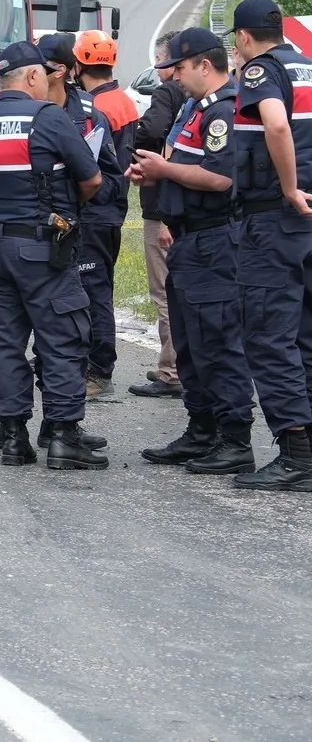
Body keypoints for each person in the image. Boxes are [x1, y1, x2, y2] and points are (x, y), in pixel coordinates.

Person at [0, 41, 107, 470]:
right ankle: (62, 436)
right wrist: (65, 210)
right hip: (42, 249)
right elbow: (92, 179)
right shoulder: (48, 117)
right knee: (62, 340)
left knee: (4, 345)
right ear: (34, 77)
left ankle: (14, 437)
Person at [127, 29, 254, 474]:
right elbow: (185, 164)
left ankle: (234, 437)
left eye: (180, 68)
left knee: (217, 340)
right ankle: (201, 430)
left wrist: (165, 169)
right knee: (189, 343)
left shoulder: (224, 110)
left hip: (215, 239)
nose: (175, 77)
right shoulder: (194, 106)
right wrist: (157, 174)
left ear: (205, 64)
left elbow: (220, 179)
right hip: (187, 238)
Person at [224, 0, 312, 490]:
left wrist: (286, 186)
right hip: (306, 223)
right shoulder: (307, 66)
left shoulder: (261, 71)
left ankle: (296, 454)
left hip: (275, 221)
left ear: (242, 37)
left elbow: (275, 123)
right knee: (305, 336)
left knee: (269, 335)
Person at [45, 31, 133, 398]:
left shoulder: (95, 109)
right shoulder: (120, 100)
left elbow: (102, 169)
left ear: (75, 67)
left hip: (96, 212)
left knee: (94, 293)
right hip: (102, 210)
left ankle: (98, 370)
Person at [129, 32, 192, 398]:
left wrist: (138, 140)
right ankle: (177, 364)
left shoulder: (168, 93)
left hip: (162, 204)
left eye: (162, 61)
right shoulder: (208, 98)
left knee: (164, 290)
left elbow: (152, 128)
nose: (157, 68)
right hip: (193, 206)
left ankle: (172, 369)